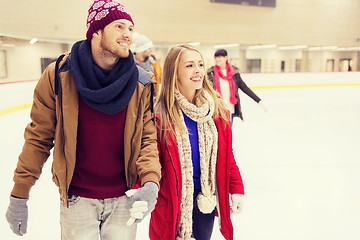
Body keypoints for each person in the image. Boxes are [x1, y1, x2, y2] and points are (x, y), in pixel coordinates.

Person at [5, 0, 161, 239]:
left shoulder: (141, 82)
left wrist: (151, 182)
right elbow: (39, 137)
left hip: (124, 198)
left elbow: (147, 139)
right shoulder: (59, 75)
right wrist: (20, 194)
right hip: (77, 199)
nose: (128, 34)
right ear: (96, 31)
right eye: (119, 26)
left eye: (130, 28)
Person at [149, 44, 244, 240]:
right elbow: (150, 161)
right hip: (171, 200)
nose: (198, 70)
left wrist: (236, 188)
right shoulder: (160, 116)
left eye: (200, 64)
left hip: (205, 199)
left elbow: (227, 155)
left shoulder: (216, 111)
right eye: (189, 65)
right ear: (173, 72)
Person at [207, 49, 266, 124]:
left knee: (228, 134)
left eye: (219, 57)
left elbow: (245, 88)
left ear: (226, 58)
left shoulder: (234, 73)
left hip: (230, 109)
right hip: (216, 110)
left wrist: (258, 100)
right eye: (215, 57)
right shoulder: (210, 73)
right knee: (216, 134)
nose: (217, 59)